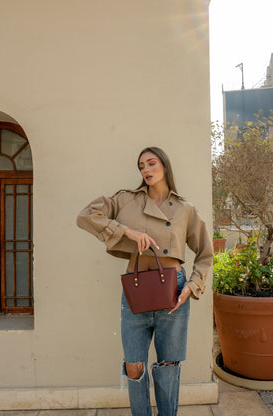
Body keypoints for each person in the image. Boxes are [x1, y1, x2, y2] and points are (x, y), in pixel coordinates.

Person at [77, 146, 213, 416]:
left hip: (173, 292)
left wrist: (192, 286)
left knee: (169, 365)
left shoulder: (185, 209)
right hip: (136, 289)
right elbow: (86, 216)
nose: (146, 170)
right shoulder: (127, 199)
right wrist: (127, 230)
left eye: (152, 164)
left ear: (164, 166)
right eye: (141, 166)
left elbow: (206, 254)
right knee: (133, 365)